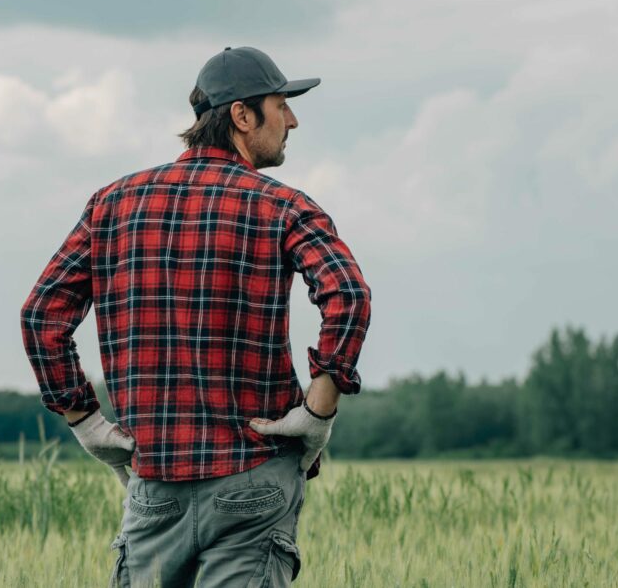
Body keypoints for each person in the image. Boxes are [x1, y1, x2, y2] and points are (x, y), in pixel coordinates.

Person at [20, 46, 372, 587]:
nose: (293, 119)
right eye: (282, 105)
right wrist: (318, 413)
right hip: (253, 479)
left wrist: (87, 422)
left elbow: (42, 315)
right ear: (241, 115)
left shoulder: (111, 204)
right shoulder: (284, 206)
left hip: (153, 484)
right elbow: (347, 293)